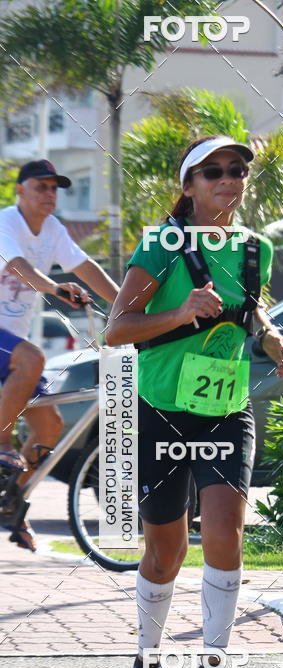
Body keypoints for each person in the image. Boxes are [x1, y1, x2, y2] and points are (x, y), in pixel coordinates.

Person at [106, 135, 283, 668]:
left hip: (226, 408)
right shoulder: (162, 244)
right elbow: (116, 330)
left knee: (225, 531)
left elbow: (250, 308)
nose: (227, 179)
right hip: (161, 409)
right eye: (212, 171)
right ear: (188, 186)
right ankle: (147, 666)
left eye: (236, 170)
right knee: (166, 552)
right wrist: (180, 312)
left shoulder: (254, 248)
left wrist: (268, 335)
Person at [0, 159, 119, 550]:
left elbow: (84, 266)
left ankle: (12, 503)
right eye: (41, 187)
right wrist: (53, 287)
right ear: (20, 189)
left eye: (55, 188)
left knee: (49, 425)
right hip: (14, 348)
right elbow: (17, 267)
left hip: (10, 346)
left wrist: (129, 304)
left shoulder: (52, 229)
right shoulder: (6, 223)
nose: (49, 194)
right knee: (33, 357)